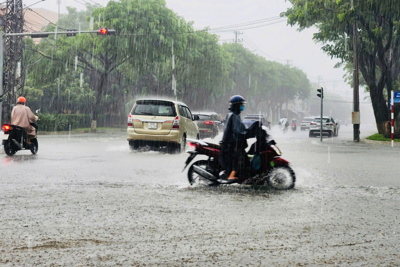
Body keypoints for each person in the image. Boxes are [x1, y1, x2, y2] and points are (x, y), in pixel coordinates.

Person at [219, 95, 249, 183]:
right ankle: (231, 176)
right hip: (231, 144)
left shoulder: (232, 114)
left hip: (229, 142)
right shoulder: (234, 116)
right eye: (241, 105)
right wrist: (247, 133)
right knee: (240, 158)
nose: (242, 107)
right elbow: (238, 130)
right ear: (237, 106)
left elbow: (240, 127)